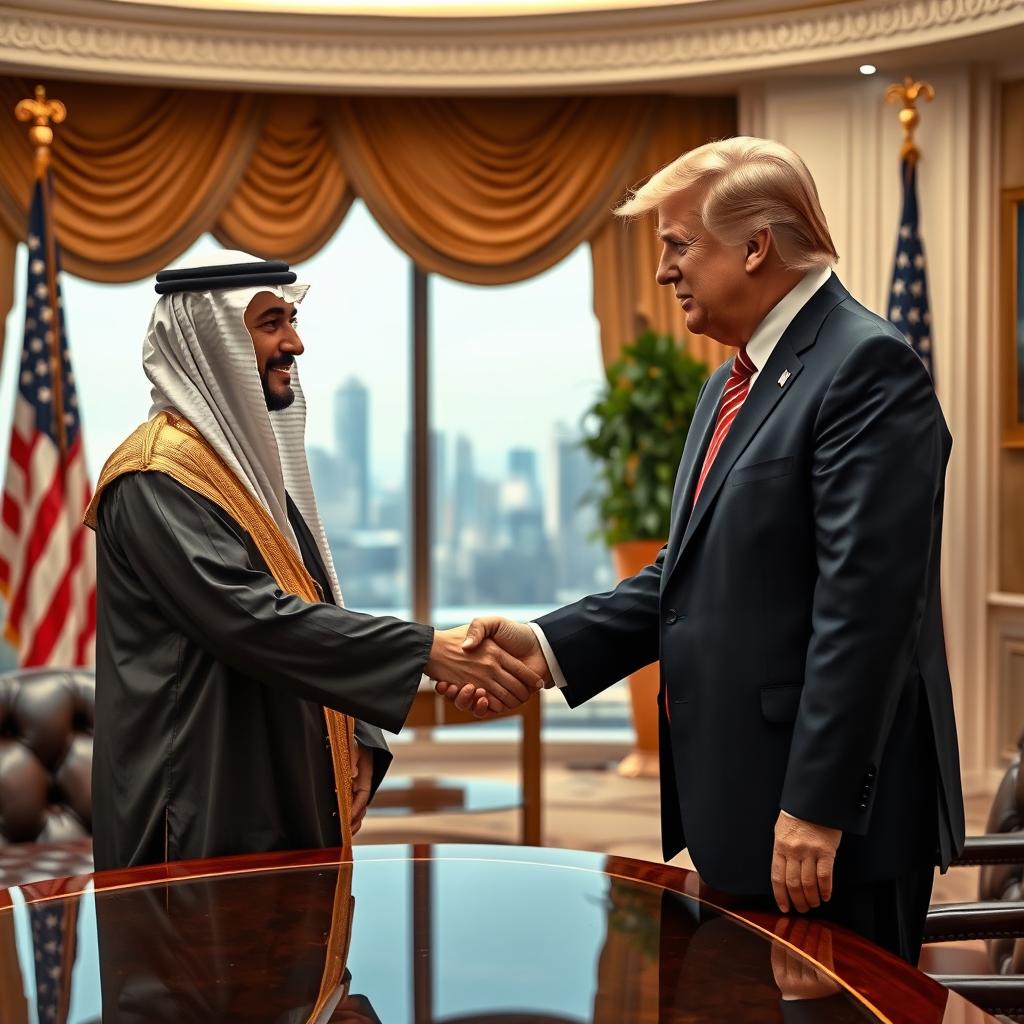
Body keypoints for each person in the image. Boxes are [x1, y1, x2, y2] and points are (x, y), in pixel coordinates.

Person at [436, 137, 965, 963]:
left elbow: (866, 611)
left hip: (825, 835)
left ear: (755, 246)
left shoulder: (866, 365)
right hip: (747, 815)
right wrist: (542, 648)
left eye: (678, 245)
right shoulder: (732, 381)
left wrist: (816, 807)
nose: (662, 272)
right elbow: (682, 582)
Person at [85, 251, 542, 871]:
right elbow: (252, 619)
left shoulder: (243, 478)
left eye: (291, 320)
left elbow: (313, 607)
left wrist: (360, 729)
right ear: (210, 340)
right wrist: (430, 649)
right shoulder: (154, 478)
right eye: (271, 322)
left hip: (278, 781)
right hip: (197, 809)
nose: (294, 343)